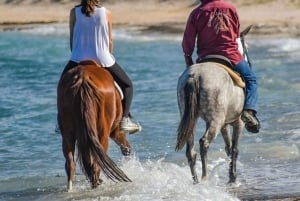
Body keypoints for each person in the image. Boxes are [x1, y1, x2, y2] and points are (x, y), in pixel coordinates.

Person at [61, 0, 141, 134]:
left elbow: (71, 39)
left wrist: (77, 55)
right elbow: (110, 41)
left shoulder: (74, 12)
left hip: (77, 57)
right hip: (102, 58)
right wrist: (107, 56)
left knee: (62, 86)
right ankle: (125, 120)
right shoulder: (106, 13)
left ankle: (62, 121)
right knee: (128, 85)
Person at [182, 0, 260, 133]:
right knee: (251, 79)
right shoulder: (230, 8)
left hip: (205, 57)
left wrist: (189, 61)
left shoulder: (197, 12)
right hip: (230, 56)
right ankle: (249, 112)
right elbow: (236, 34)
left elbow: (187, 41)